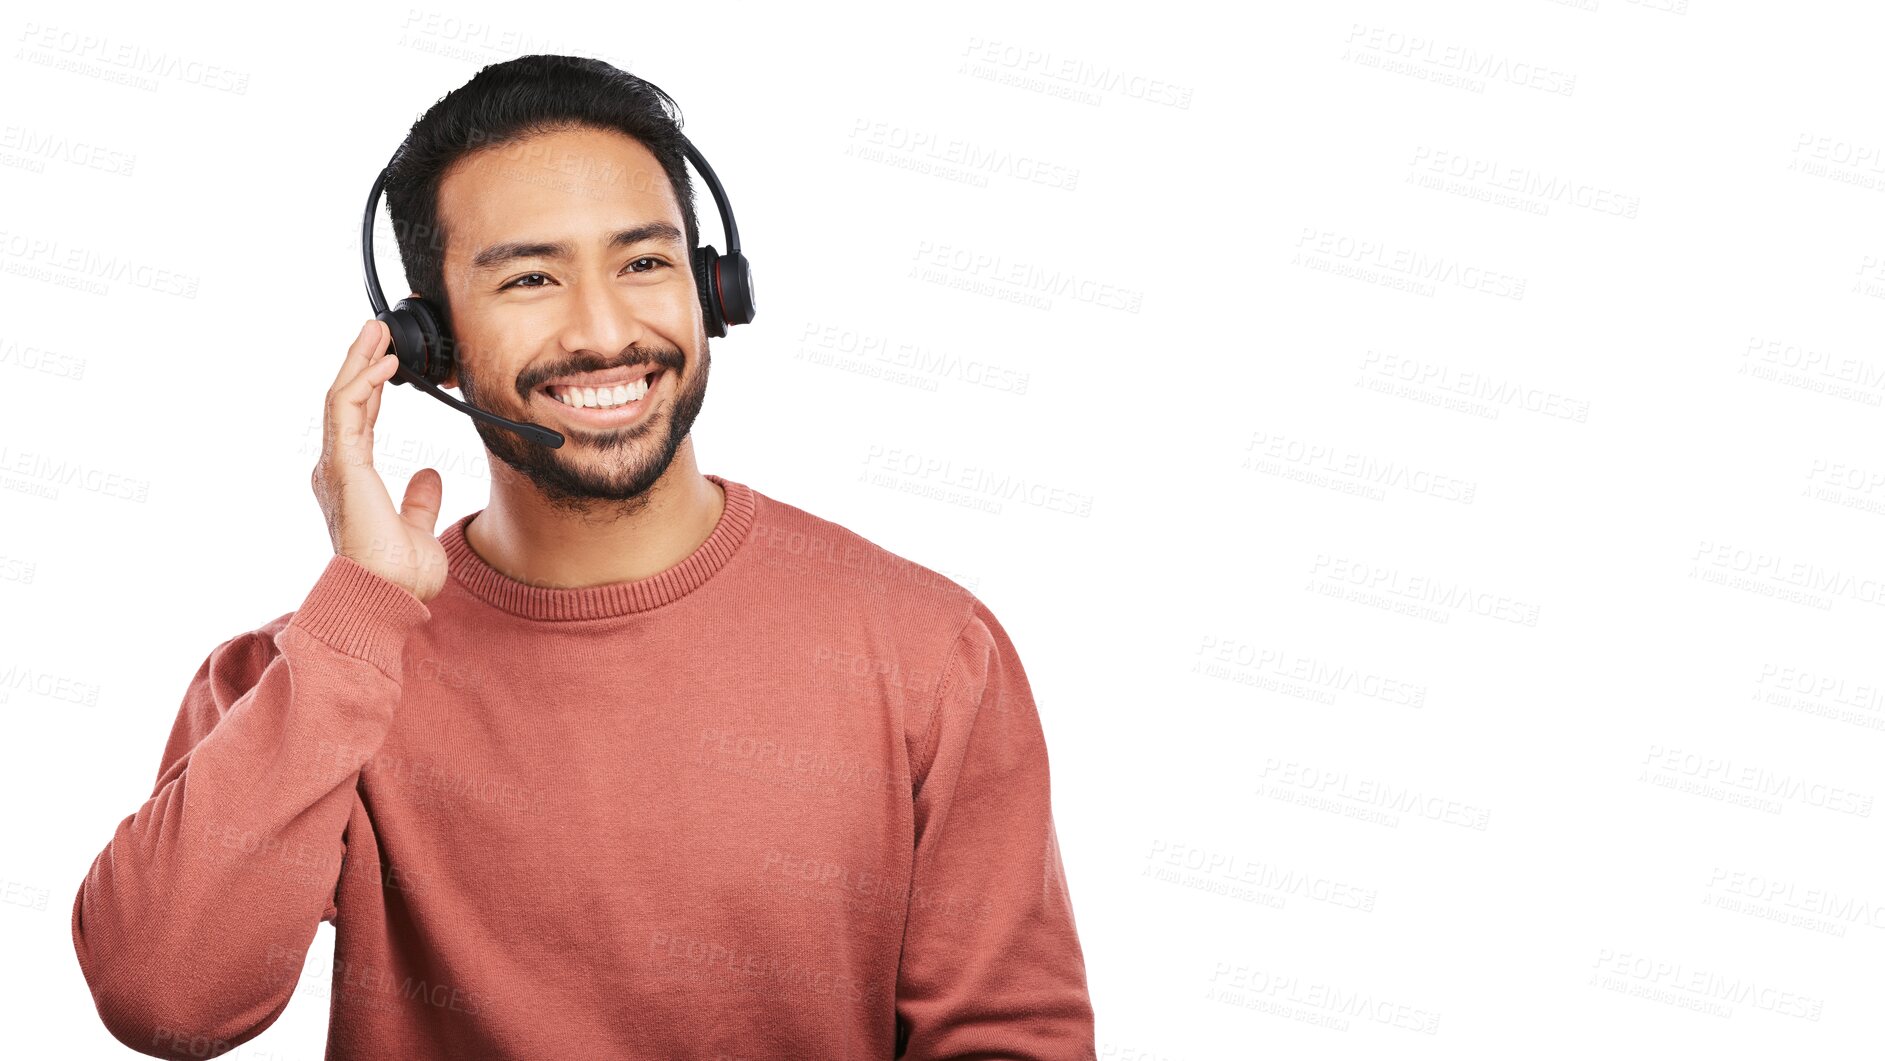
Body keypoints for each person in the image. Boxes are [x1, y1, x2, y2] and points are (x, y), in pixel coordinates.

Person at [70, 54, 1094, 1060]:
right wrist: (361, 614)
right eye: (529, 277)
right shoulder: (318, 669)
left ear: (713, 289)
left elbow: (1010, 1038)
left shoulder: (927, 647)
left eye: (644, 263)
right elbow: (164, 999)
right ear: (427, 343)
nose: (605, 331)